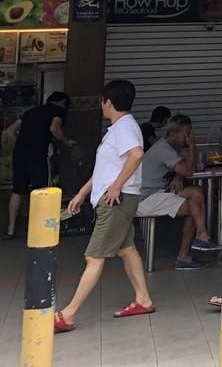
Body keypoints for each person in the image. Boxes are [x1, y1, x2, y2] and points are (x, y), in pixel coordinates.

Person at [54, 79, 151, 333]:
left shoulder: (124, 127)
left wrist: (117, 186)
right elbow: (104, 170)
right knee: (126, 249)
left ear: (108, 102)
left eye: (102, 101)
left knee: (93, 256)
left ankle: (68, 314)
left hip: (116, 201)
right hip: (116, 198)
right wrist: (82, 193)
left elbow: (137, 154)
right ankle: (143, 299)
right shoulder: (118, 128)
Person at [138, 115, 220, 269]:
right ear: (173, 134)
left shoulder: (173, 148)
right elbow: (188, 170)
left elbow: (182, 168)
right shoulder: (163, 149)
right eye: (186, 133)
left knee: (196, 195)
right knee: (194, 206)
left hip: (158, 192)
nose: (189, 137)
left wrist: (178, 175)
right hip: (145, 199)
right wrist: (192, 147)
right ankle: (193, 246)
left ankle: (199, 238)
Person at [3, 92, 76, 239]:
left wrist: (23, 142)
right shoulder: (58, 111)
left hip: (19, 153)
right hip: (37, 155)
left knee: (17, 190)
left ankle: (10, 229)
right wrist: (66, 142)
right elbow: (54, 129)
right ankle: (38, 228)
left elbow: (9, 131)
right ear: (63, 102)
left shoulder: (32, 111)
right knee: (41, 191)